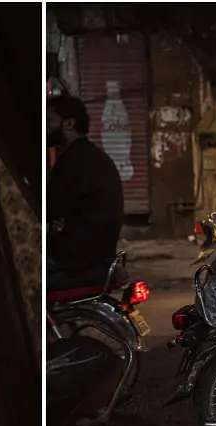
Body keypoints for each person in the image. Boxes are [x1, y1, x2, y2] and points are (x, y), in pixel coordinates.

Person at [46, 92, 125, 290]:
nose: (45, 127)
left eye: (48, 120)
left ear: (68, 124)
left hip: (79, 258)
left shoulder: (73, 161)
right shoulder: (90, 156)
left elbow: (49, 208)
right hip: (97, 251)